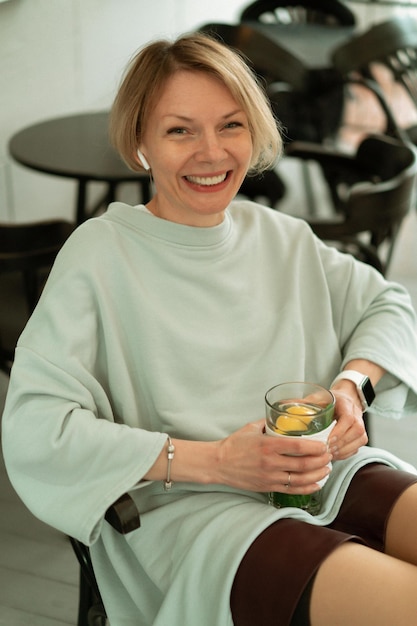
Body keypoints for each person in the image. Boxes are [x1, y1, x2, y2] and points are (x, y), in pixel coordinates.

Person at [2, 32, 417, 626]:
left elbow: (389, 304)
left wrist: (353, 389)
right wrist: (220, 461)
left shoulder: (280, 236)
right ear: (140, 141)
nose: (211, 152)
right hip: (194, 517)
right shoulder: (100, 254)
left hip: (319, 475)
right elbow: (38, 430)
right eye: (179, 130)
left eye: (230, 125)